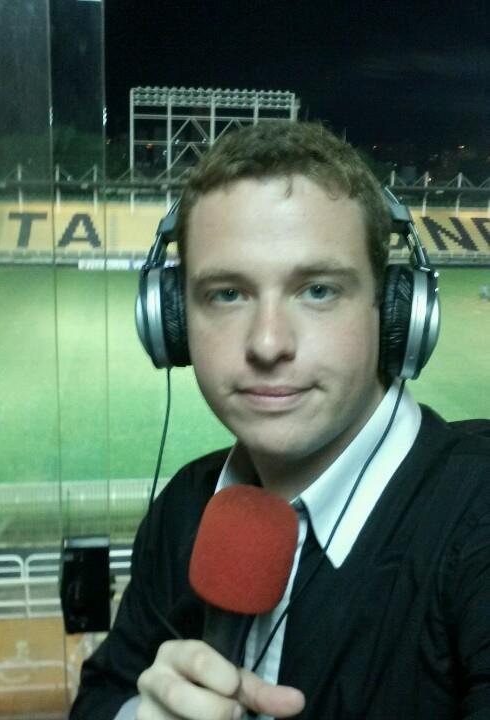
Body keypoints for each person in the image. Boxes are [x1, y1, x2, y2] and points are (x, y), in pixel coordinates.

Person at [70, 121, 490, 720]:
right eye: (227, 294)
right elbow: (101, 695)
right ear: (172, 322)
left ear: (397, 312)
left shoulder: (477, 519)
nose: (268, 344)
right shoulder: (185, 505)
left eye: (317, 290)